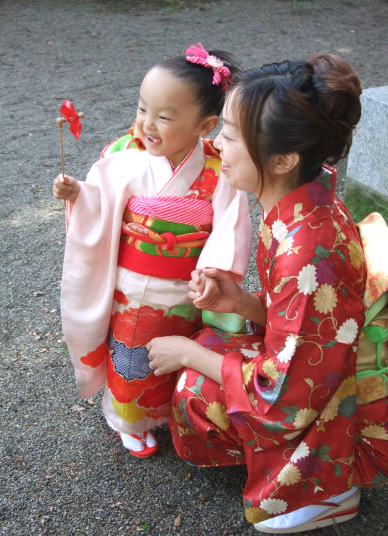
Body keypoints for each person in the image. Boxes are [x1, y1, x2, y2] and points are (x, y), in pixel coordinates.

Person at [146, 54, 387, 532]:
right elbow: (304, 329)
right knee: (211, 339)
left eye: (231, 135)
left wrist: (188, 355)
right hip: (320, 361)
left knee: (195, 391)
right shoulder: (306, 201)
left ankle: (328, 488)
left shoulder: (306, 250)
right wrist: (241, 302)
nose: (216, 143)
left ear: (282, 159)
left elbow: (285, 395)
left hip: (330, 402)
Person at [53, 44, 253, 458]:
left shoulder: (219, 169)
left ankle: (174, 414)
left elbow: (230, 226)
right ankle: (128, 420)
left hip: (187, 286)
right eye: (143, 108)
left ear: (205, 125)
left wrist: (213, 274)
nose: (146, 123)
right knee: (132, 355)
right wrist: (78, 195)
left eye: (164, 116)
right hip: (129, 287)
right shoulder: (125, 157)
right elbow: (99, 203)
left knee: (178, 351)